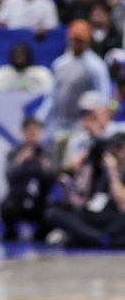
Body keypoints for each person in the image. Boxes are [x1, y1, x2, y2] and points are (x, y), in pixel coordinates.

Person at [46, 93, 125, 247]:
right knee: (54, 213)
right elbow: (84, 193)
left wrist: (113, 173)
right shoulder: (97, 163)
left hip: (114, 217)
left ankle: (93, 238)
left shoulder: (115, 169)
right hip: (94, 213)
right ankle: (92, 237)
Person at [0, 118, 55, 240]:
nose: (32, 136)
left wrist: (45, 166)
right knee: (6, 207)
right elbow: (9, 176)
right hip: (18, 199)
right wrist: (20, 160)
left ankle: (41, 234)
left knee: (53, 211)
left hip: (40, 200)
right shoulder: (14, 153)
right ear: (23, 133)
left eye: (35, 132)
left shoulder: (47, 154)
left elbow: (52, 178)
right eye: (29, 132)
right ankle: (11, 233)